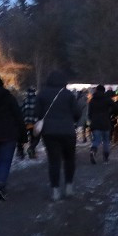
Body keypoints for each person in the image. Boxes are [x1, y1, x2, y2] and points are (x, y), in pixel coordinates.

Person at [35, 72, 82, 201]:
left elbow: (37, 112)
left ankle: (55, 190)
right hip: (68, 131)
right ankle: (69, 187)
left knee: (54, 161)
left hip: (49, 132)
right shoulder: (68, 95)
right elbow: (77, 112)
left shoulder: (41, 94)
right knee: (69, 159)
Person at [87, 85, 113, 164]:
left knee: (96, 140)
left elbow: (89, 113)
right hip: (105, 122)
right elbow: (115, 107)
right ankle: (105, 158)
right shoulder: (107, 99)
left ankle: (93, 150)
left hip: (95, 123)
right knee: (106, 141)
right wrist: (110, 113)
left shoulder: (92, 100)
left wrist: (91, 120)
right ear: (104, 91)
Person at [21, 86, 39, 158]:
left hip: (26, 123)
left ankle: (21, 153)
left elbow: (22, 111)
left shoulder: (25, 100)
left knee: (24, 138)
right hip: (34, 123)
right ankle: (32, 152)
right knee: (34, 138)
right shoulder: (37, 100)